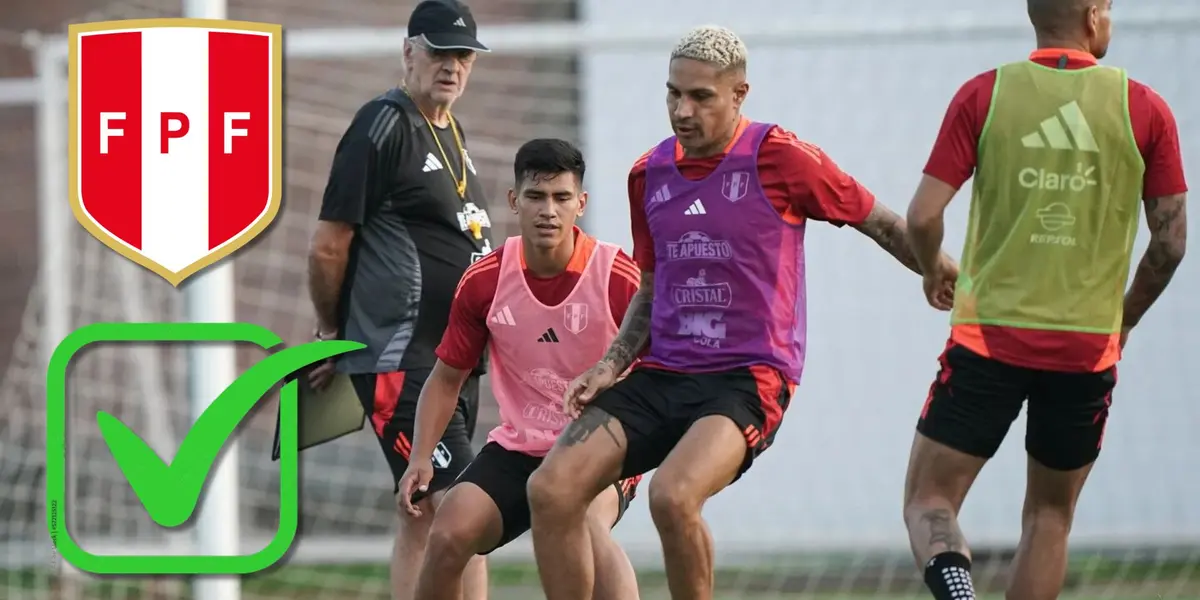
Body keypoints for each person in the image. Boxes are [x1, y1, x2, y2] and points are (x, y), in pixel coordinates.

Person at [525, 25, 956, 600]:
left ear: (739, 95)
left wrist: (946, 273)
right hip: (661, 375)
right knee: (551, 490)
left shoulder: (782, 157)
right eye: (673, 93)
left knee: (673, 497)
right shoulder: (647, 174)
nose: (682, 109)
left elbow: (881, 223)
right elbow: (651, 288)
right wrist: (610, 365)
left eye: (700, 96)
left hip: (748, 379)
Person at [902, 1, 1188, 599]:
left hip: (989, 338)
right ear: (1092, 16)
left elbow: (925, 215)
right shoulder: (1146, 108)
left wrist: (933, 270)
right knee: (1049, 517)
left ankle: (958, 593)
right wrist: (1124, 319)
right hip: (1086, 349)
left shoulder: (985, 94)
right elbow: (1170, 244)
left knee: (931, 499)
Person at [397, 138, 643, 600]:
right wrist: (420, 456)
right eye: (535, 196)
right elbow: (447, 377)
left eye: (561, 197)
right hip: (522, 447)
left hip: (599, 448)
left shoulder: (616, 276)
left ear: (580, 204)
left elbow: (662, 367)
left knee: (585, 521)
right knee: (449, 532)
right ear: (514, 201)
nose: (548, 210)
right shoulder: (485, 280)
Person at [304, 1, 495, 598]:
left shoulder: (451, 130)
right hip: (401, 357)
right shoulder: (381, 125)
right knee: (469, 504)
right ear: (409, 51)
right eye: (439, 51)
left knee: (419, 514)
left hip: (454, 360)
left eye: (463, 55)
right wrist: (332, 331)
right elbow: (329, 247)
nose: (452, 66)